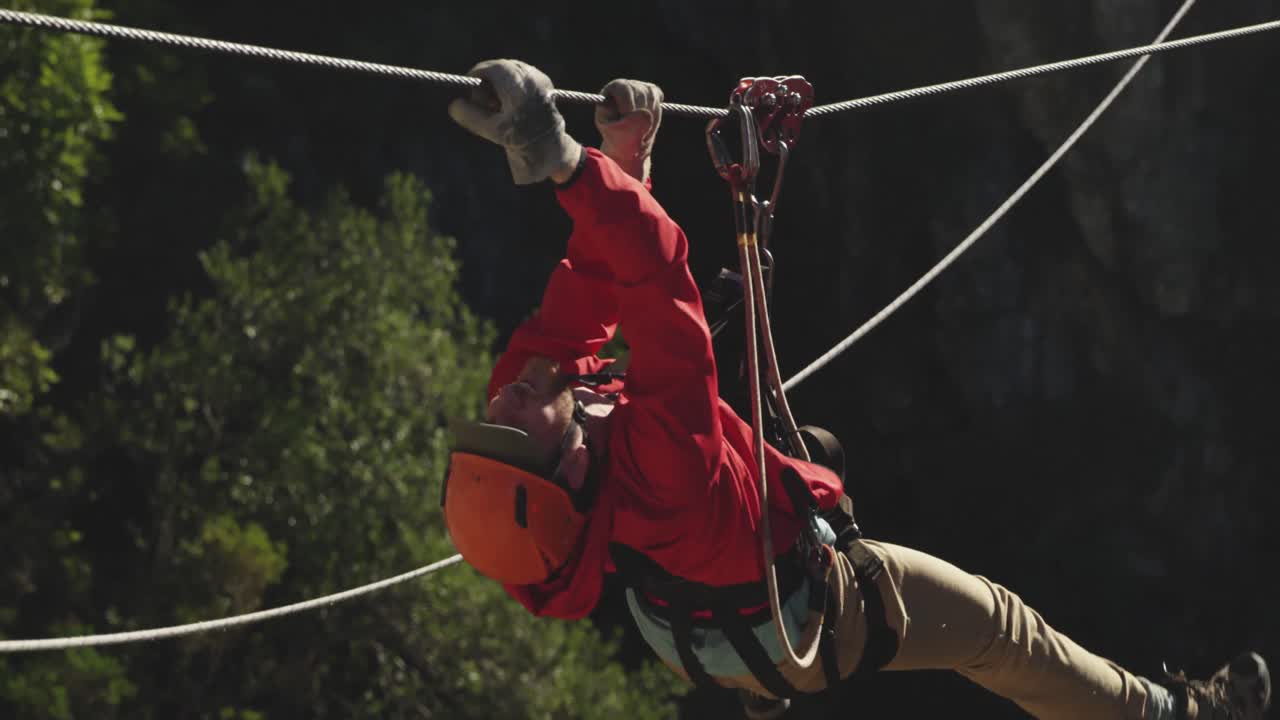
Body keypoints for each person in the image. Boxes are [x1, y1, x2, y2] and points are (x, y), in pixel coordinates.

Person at [440, 59, 1271, 720]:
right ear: (572, 469)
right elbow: (658, 286)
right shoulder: (665, 474)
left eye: (485, 423)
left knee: (814, 458)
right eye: (513, 427)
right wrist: (561, 160)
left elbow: (595, 280)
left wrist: (618, 168)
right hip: (804, 618)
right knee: (1002, 632)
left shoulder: (537, 396)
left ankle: (761, 685)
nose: (502, 398)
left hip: (697, 621)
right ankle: (1171, 714)